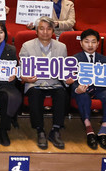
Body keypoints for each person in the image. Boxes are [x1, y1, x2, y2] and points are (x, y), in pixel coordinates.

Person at [19, 17, 74, 150]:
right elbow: (22, 69)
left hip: (54, 82)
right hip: (35, 82)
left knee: (62, 94)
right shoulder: (27, 46)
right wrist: (25, 78)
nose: (45, 32)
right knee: (35, 94)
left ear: (53, 31)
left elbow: (64, 69)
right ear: (36, 31)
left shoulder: (61, 47)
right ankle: (40, 130)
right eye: (41, 29)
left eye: (49, 29)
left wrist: (67, 79)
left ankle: (55, 130)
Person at [72, 29, 106, 151]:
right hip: (83, 90)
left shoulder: (105, 60)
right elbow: (71, 80)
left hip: (100, 89)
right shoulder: (74, 59)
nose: (90, 45)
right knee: (82, 96)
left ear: (98, 44)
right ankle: (89, 131)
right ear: (81, 43)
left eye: (93, 42)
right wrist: (77, 89)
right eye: (87, 42)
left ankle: (102, 132)